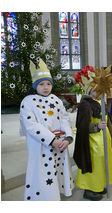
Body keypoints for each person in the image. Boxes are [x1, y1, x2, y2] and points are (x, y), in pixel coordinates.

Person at [20, 59, 74, 201]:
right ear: (35, 86)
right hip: (41, 146)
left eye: (48, 83)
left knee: (58, 170)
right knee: (43, 173)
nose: (46, 87)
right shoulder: (28, 101)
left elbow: (64, 118)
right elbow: (31, 125)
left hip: (60, 144)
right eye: (42, 84)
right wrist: (52, 140)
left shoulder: (56, 99)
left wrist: (68, 138)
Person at [74, 79, 112, 201]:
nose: (97, 92)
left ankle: (98, 186)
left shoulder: (100, 101)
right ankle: (89, 189)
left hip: (103, 138)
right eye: (94, 90)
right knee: (94, 163)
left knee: (103, 162)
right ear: (89, 91)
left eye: (99, 89)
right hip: (92, 141)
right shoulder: (85, 105)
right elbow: (81, 126)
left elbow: (108, 122)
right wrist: (96, 126)